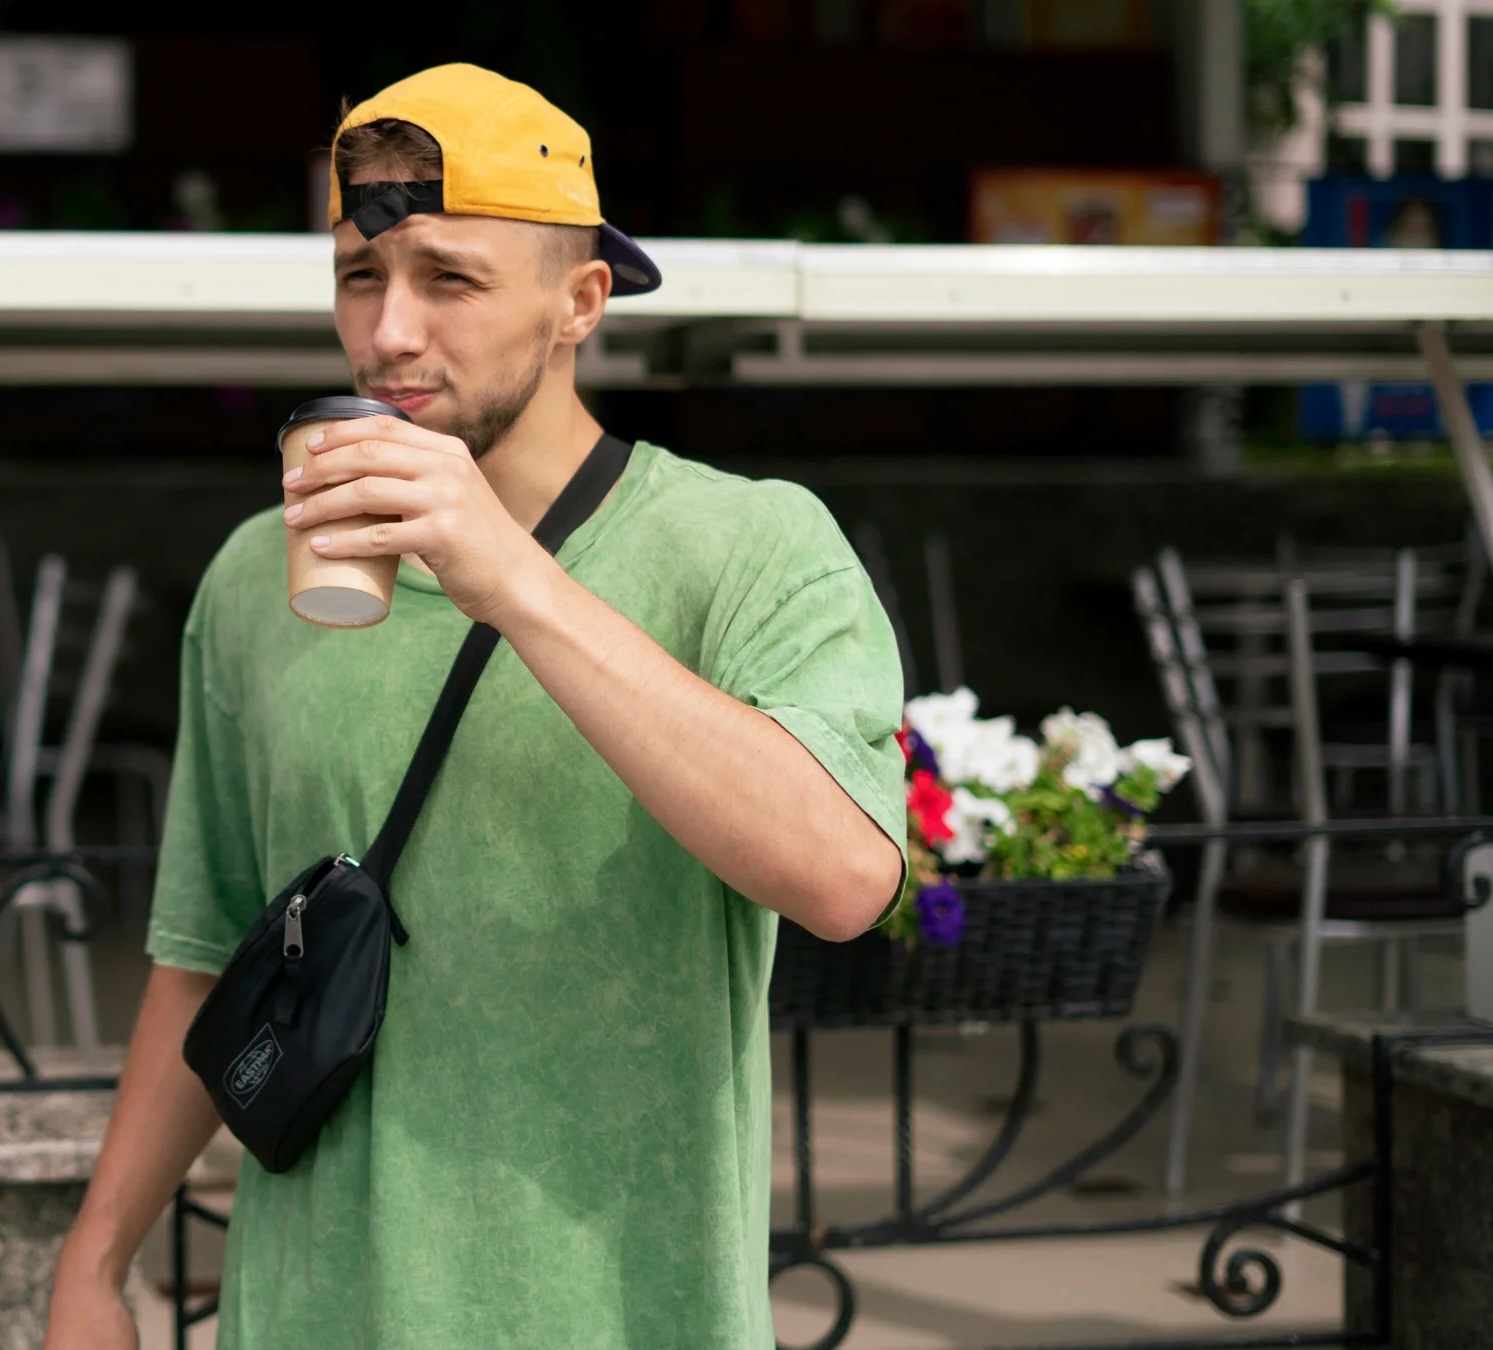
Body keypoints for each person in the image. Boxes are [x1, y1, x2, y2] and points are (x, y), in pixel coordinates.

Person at [44, 63, 905, 1350]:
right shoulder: (253, 577)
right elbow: (204, 953)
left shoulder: (752, 547)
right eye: (360, 274)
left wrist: (513, 580)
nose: (390, 331)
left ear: (580, 302)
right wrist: (96, 1265)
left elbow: (844, 878)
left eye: (449, 278)